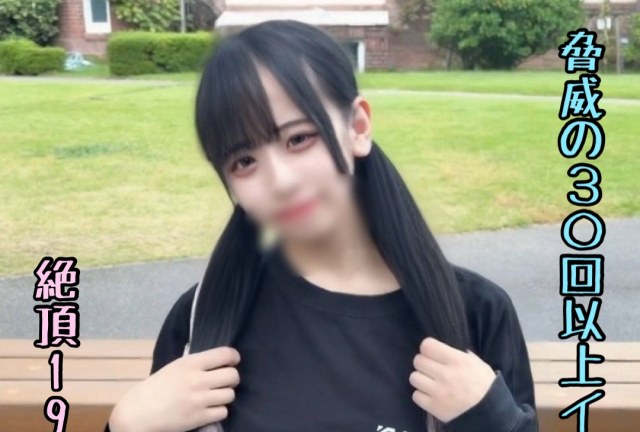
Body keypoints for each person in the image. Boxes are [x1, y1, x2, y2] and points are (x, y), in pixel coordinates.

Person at [106, 19, 538, 432]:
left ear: (358, 127)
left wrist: (491, 419)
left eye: (298, 138)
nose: (280, 181)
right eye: (244, 161)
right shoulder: (203, 321)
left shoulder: (476, 313)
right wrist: (126, 426)